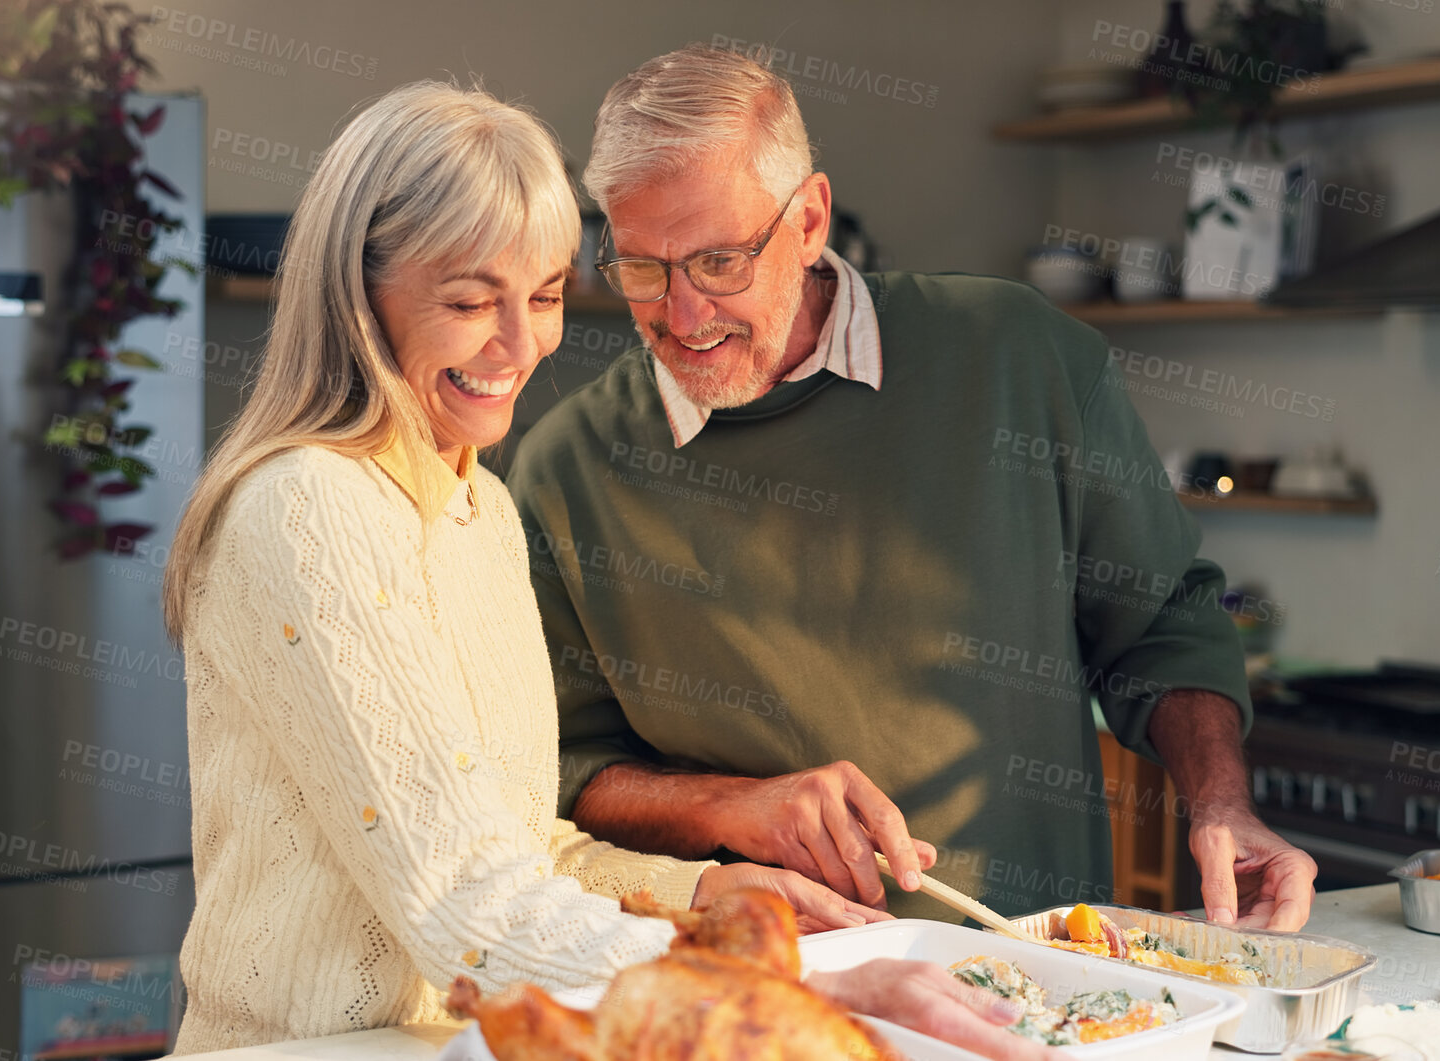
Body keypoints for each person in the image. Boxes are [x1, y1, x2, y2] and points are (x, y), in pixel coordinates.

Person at [159, 80, 1062, 1060]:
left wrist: (713, 895)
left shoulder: (481, 510)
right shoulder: (305, 507)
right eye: (468, 301)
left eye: (543, 295)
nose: (519, 346)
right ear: (357, 293)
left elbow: (510, 843)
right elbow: (462, 902)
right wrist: (812, 980)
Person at [507, 45, 1319, 931]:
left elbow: (1161, 620)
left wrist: (1218, 802)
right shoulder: (562, 468)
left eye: (719, 262)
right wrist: (726, 804)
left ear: (809, 219)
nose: (684, 314)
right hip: (764, 997)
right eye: (641, 268)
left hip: (1044, 981)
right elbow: (558, 770)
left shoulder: (1022, 358)